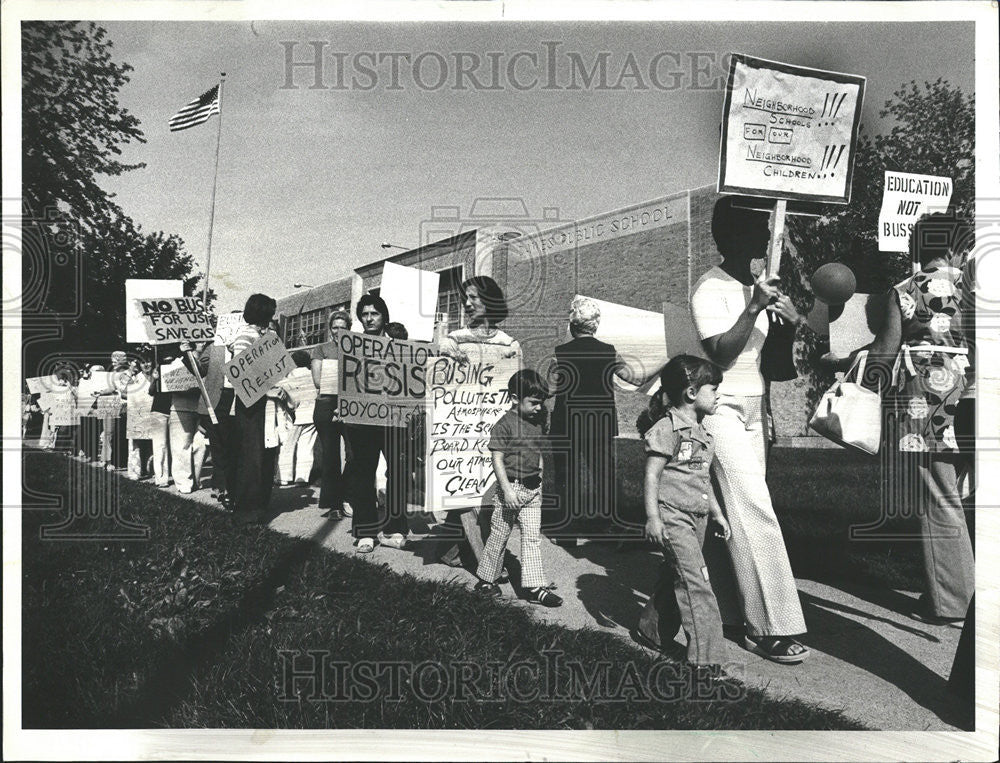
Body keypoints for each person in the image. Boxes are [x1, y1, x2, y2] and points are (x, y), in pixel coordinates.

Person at [823, 212, 975, 623]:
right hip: (973, 402)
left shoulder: (905, 291)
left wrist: (853, 364)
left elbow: (886, 353)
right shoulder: (977, 289)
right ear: (952, 248)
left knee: (937, 498)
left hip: (924, 407)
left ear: (923, 248)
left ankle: (953, 601)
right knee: (964, 495)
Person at [689, 196, 809, 664]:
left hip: (756, 404)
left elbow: (777, 367)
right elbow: (718, 354)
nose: (767, 236)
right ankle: (771, 626)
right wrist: (753, 309)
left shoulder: (764, 286)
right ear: (732, 235)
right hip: (717, 405)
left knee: (736, 512)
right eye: (760, 227)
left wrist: (790, 326)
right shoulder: (709, 287)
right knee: (755, 508)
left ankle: (728, 609)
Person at [634, 355, 730, 668]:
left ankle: (652, 630)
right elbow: (652, 475)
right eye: (714, 389)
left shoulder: (702, 432)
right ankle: (707, 660)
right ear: (691, 393)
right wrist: (653, 517)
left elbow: (702, 477)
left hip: (697, 517)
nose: (718, 396)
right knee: (697, 583)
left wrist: (716, 512)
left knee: (678, 574)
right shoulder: (667, 429)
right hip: (673, 517)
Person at [549, 296, 660, 540]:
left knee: (565, 474)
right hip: (599, 422)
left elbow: (549, 389)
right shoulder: (608, 352)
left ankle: (566, 532)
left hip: (566, 421)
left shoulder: (560, 353)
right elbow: (637, 379)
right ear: (595, 325)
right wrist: (666, 361)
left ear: (572, 325)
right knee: (604, 474)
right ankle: (609, 526)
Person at [437, 276, 522, 569]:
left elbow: (517, 391)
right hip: (460, 431)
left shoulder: (509, 344)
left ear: (491, 301)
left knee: (489, 495)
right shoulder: (455, 338)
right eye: (466, 299)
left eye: (474, 298)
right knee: (463, 490)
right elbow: (439, 371)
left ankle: (454, 551)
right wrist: (446, 351)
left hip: (495, 433)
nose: (468, 304)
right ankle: (489, 563)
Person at [474, 369, 562, 607]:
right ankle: (486, 580)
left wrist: (541, 475)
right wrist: (507, 490)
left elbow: (537, 452)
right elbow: (497, 459)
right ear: (514, 398)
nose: (538, 408)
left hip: (533, 491)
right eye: (533, 403)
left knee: (532, 538)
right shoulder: (504, 425)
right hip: (510, 491)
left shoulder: (536, 423)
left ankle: (534, 586)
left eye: (541, 403)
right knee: (499, 536)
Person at [341, 295, 410, 551]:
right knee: (362, 473)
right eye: (365, 314)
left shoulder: (398, 346)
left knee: (398, 475)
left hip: (393, 420)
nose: (369, 318)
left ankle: (395, 529)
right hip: (361, 419)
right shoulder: (351, 345)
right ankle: (365, 532)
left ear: (384, 316)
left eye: (374, 314)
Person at [227, 294, 287, 525]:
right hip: (250, 404)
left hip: (269, 403)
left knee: (267, 453)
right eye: (268, 311)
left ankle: (261, 504)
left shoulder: (271, 337)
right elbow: (240, 376)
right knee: (251, 455)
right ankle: (246, 511)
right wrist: (267, 391)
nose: (269, 316)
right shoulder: (244, 336)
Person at [312, 309, 353, 519]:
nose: (338, 331)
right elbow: (319, 381)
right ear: (330, 329)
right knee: (331, 456)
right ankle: (333, 504)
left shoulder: (355, 348)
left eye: (343, 328)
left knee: (354, 454)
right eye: (335, 327)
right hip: (327, 405)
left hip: (350, 405)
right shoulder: (321, 349)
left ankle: (347, 496)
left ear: (349, 329)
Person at [276, 350, 319, 485]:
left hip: (295, 416)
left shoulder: (287, 378)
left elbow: (289, 401)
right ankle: (302, 477)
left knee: (287, 447)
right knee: (306, 446)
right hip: (312, 414)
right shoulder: (313, 376)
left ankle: (284, 477)